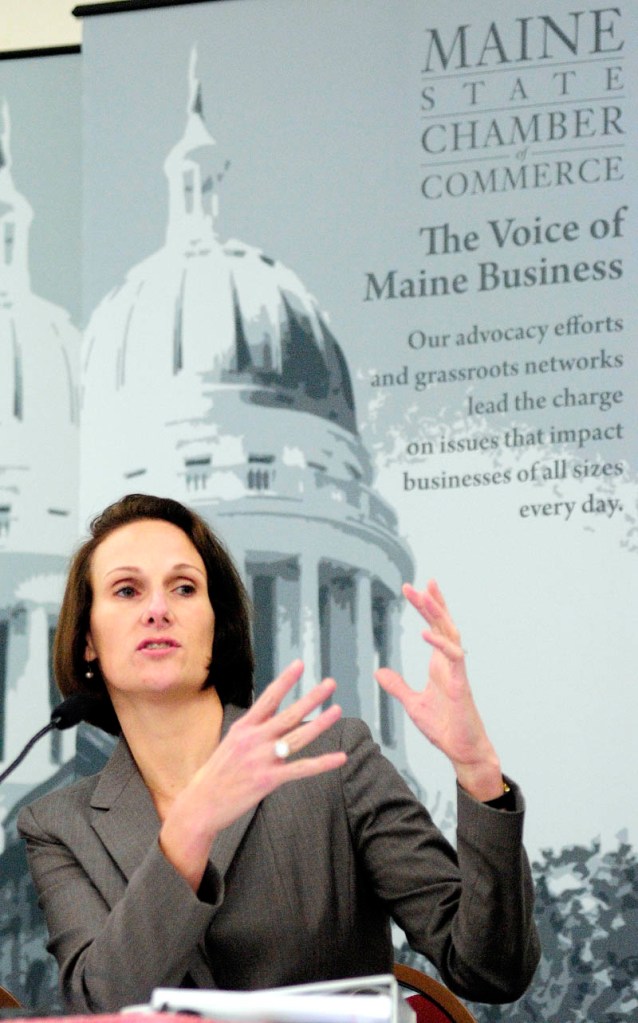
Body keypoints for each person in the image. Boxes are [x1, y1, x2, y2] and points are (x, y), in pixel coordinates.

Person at [18, 493, 540, 1014]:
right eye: (127, 590)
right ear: (87, 639)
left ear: (216, 624)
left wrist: (479, 775)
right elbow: (99, 1004)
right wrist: (190, 829)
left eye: (184, 587)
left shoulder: (335, 760)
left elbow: (491, 971)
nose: (158, 610)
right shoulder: (58, 824)